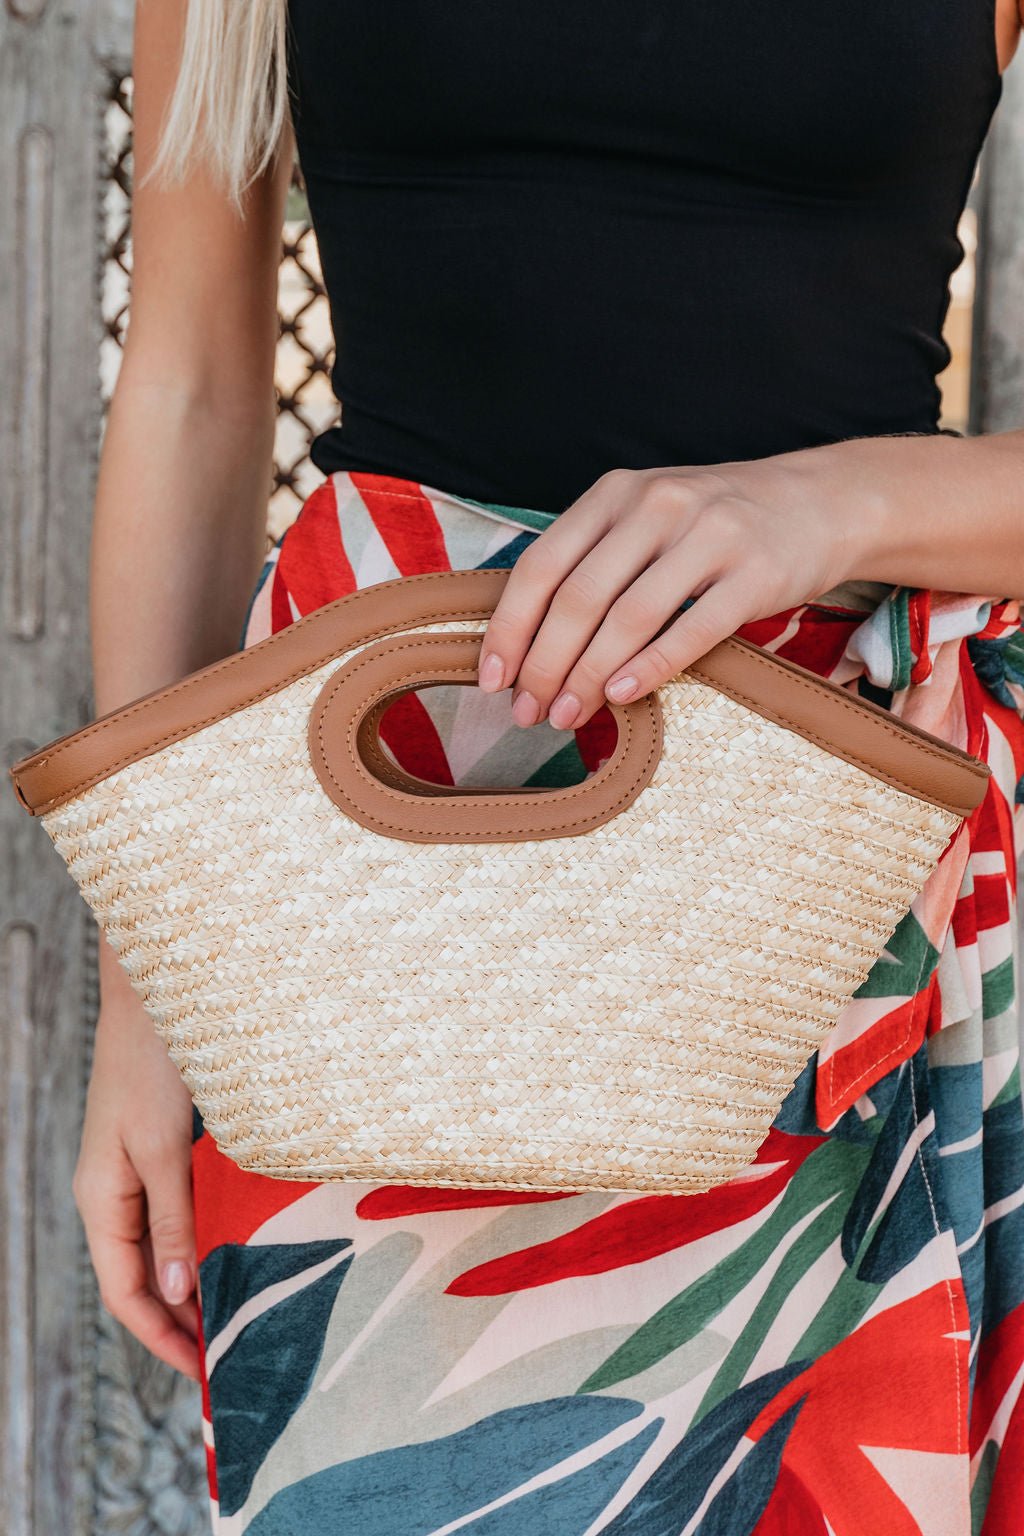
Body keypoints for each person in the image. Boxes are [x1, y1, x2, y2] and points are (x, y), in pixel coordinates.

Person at [74, 0, 1024, 1530]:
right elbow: (187, 387)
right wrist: (146, 974)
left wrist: (825, 507)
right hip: (362, 857)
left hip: (839, 871)